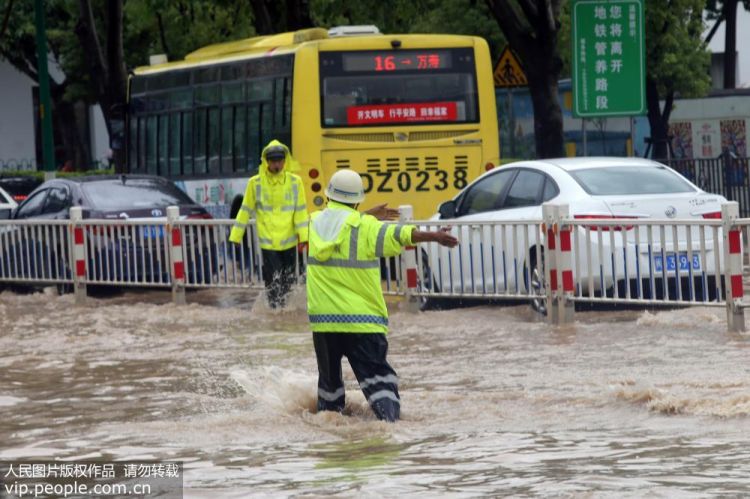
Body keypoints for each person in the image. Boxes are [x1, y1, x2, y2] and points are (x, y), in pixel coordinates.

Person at [306, 169, 458, 422]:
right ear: (356, 200)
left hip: (324, 322)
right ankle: (390, 431)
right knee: (380, 383)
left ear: (330, 197)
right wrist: (433, 236)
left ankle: (329, 435)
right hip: (361, 321)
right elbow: (398, 234)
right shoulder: (366, 228)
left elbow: (340, 226)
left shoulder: (315, 223)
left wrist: (365, 216)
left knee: (329, 389)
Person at [229, 140, 309, 308]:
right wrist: (236, 236)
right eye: (273, 161)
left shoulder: (295, 182)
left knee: (288, 280)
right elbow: (245, 210)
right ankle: (274, 311)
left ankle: (283, 311)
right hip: (268, 242)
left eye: (279, 160)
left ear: (285, 160)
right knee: (273, 280)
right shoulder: (255, 183)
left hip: (290, 241)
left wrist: (304, 237)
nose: (276, 164)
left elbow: (301, 212)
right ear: (266, 161)